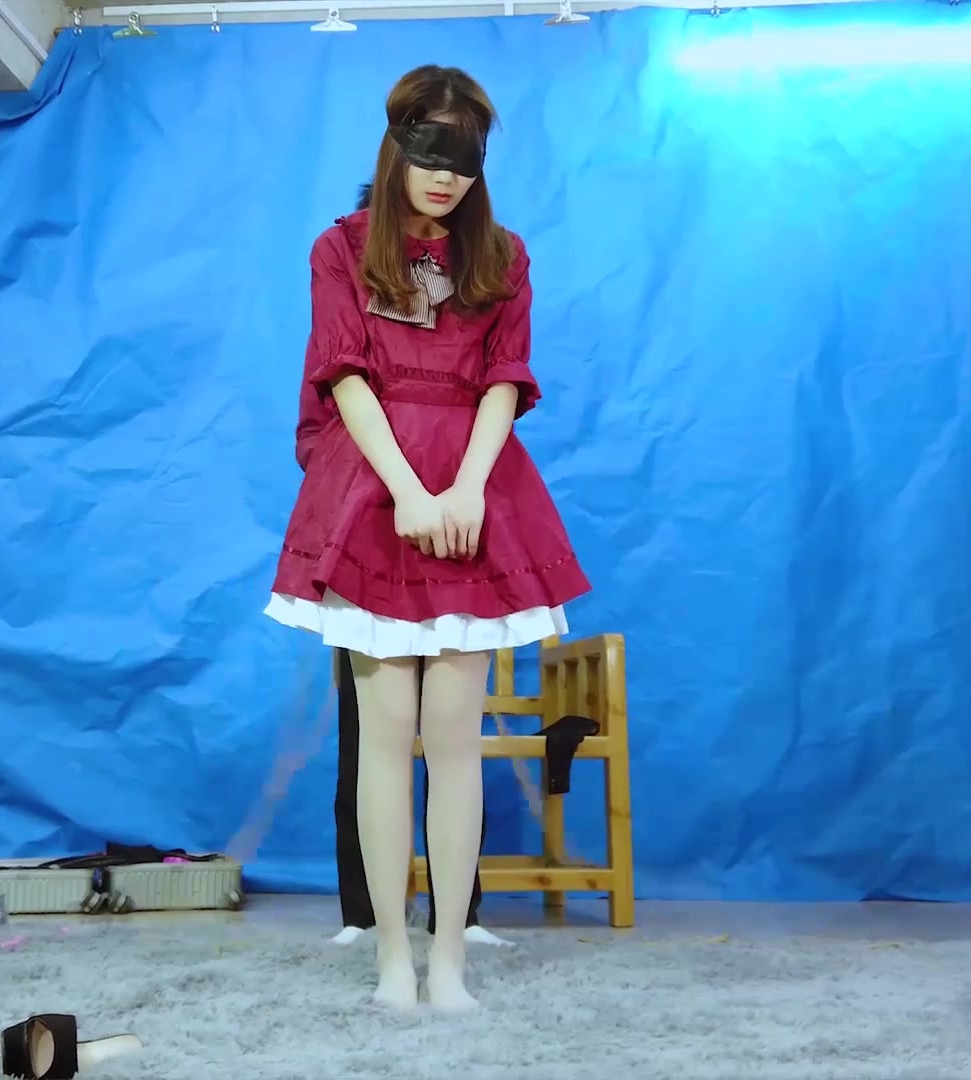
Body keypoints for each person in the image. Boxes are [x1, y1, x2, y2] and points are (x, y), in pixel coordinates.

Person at [265, 65, 590, 1012]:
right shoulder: (340, 249)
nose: (447, 174)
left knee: (454, 738)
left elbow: (505, 378)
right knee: (382, 737)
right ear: (397, 145)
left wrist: (468, 490)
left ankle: (449, 959)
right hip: (374, 493)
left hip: (474, 493)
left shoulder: (504, 257)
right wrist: (409, 491)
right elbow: (344, 373)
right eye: (431, 151)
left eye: (466, 157)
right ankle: (392, 960)